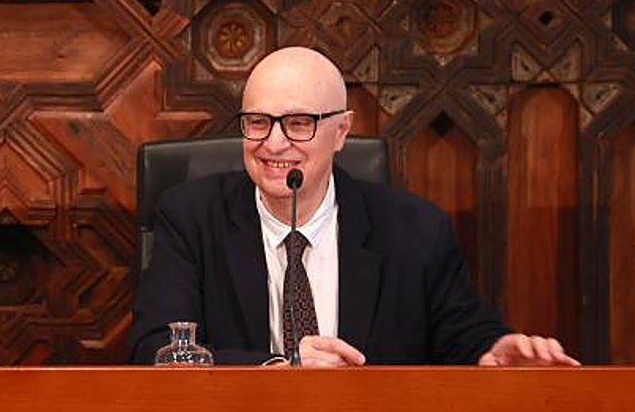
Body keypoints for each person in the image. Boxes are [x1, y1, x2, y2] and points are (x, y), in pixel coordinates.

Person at [130, 46, 578, 368]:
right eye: (258, 122)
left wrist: (492, 351)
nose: (274, 143)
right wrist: (280, 366)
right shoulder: (192, 217)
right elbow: (156, 349)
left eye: (299, 123)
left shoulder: (414, 230)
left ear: (341, 131)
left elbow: (461, 333)